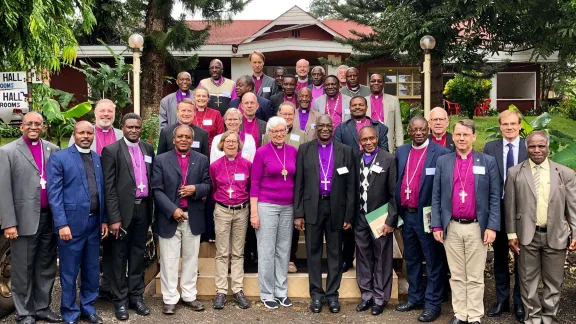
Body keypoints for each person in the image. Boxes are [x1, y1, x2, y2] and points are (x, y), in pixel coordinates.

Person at [431, 119, 500, 324]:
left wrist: (492, 226)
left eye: (466, 134)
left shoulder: (487, 162)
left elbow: (495, 197)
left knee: (476, 274)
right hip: (451, 226)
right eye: (458, 134)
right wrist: (436, 224)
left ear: (473, 137)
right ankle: (460, 313)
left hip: (477, 227)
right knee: (457, 274)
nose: (461, 138)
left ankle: (475, 316)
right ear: (453, 136)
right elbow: (436, 195)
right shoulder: (444, 161)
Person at [505, 131, 576, 324]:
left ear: (547, 147)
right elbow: (509, 206)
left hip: (556, 235)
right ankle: (533, 319)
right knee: (528, 282)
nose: (537, 150)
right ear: (526, 148)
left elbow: (572, 207)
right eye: (532, 146)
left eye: (541, 146)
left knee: (554, 282)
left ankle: (549, 318)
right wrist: (511, 234)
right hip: (527, 236)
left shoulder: (565, 174)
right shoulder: (515, 173)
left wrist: (575, 232)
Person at [0, 112, 61, 324]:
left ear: (43, 127)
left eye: (38, 124)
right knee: (22, 269)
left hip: (49, 219)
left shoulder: (52, 149)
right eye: (29, 124)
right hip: (23, 220)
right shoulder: (7, 151)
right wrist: (9, 222)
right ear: (21, 127)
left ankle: (42, 308)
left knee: (46, 266)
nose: (34, 127)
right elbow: (4, 189)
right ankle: (24, 313)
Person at [47, 121, 109, 324]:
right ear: (74, 135)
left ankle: (88, 308)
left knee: (91, 269)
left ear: (93, 136)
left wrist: (104, 220)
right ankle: (69, 312)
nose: (85, 136)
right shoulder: (59, 158)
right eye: (81, 132)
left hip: (94, 224)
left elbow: (102, 192)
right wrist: (61, 224)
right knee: (69, 272)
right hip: (70, 226)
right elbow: (54, 194)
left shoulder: (98, 159)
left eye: (89, 133)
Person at [294, 115, 357, 314]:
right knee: (313, 253)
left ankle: (331, 294)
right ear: (316, 127)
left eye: (328, 126)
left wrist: (349, 215)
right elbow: (299, 184)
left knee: (334, 253)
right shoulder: (305, 149)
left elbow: (351, 186)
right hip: (313, 206)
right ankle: (316, 295)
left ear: (333, 128)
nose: (324, 129)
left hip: (336, 207)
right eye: (320, 125)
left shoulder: (345, 151)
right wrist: (298, 213)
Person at [394, 116, 450, 322]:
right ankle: (415, 297)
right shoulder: (401, 152)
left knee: (433, 261)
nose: (418, 133)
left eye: (422, 129)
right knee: (412, 259)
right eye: (414, 129)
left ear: (428, 130)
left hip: (427, 216)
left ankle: (432, 303)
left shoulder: (441, 153)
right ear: (409, 130)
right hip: (407, 215)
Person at [151, 125, 211, 315]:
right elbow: (157, 190)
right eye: (180, 136)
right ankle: (169, 298)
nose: (183, 139)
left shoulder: (201, 159)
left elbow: (208, 185)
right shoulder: (161, 160)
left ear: (192, 140)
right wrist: (172, 209)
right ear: (174, 139)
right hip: (169, 216)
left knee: (191, 259)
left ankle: (189, 295)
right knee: (168, 260)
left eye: (187, 137)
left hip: (193, 215)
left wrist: (196, 189)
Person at [101, 113, 154, 320]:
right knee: (118, 257)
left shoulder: (148, 149)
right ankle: (120, 300)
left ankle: (136, 297)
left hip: (143, 209)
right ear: (122, 128)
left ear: (141, 129)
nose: (134, 130)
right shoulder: (111, 151)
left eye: (137, 127)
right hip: (121, 214)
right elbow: (109, 187)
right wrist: (114, 218)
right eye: (130, 127)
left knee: (137, 255)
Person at [483, 109, 527, 321]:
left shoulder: (531, 147)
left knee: (522, 258)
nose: (509, 127)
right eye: (505, 124)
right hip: (498, 210)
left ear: (520, 125)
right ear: (499, 126)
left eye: (513, 124)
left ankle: (519, 302)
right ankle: (502, 300)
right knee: (499, 257)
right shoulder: (490, 148)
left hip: (523, 212)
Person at [250, 117, 298, 309]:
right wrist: (254, 213)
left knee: (284, 249)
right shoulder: (261, 153)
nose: (279, 134)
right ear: (269, 133)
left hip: (288, 206)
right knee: (267, 250)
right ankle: (267, 292)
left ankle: (281, 291)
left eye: (282, 130)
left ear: (286, 131)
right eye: (275, 131)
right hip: (266, 205)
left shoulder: (293, 151)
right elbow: (254, 184)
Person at [354, 126, 397, 316]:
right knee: (363, 257)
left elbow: (394, 193)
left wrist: (390, 220)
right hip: (360, 217)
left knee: (382, 259)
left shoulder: (388, 159)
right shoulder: (355, 159)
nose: (369, 142)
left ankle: (380, 298)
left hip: (380, 215)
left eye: (372, 138)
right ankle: (367, 295)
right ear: (359, 142)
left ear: (377, 138)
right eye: (365, 140)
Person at [262, 102, 307, 273]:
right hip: (273, 186)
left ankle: (290, 258)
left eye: (290, 114)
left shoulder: (301, 135)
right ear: (279, 113)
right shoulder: (269, 134)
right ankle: (271, 259)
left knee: (292, 226)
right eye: (284, 114)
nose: (287, 117)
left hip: (293, 185)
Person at [210, 130, 252, 310]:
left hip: (241, 211)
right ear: (222, 144)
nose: (231, 144)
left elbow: (250, 188)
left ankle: (237, 289)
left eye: (234, 141)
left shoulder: (247, 165)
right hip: (222, 210)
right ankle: (220, 290)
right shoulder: (215, 166)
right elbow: (213, 185)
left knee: (238, 252)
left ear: (239, 145)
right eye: (228, 141)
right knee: (222, 252)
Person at [365, 73, 403, 152]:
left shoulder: (393, 100)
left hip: (387, 142)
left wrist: (399, 145)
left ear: (383, 84)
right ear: (369, 84)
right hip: (368, 142)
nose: (376, 83)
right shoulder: (363, 101)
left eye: (379, 81)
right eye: (373, 81)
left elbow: (398, 125)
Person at [191, 86, 225, 153]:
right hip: (192, 150)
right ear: (194, 98)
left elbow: (220, 135)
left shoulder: (216, 114)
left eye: (204, 96)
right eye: (198, 96)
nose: (201, 98)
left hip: (211, 150)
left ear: (208, 98)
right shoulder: (189, 113)